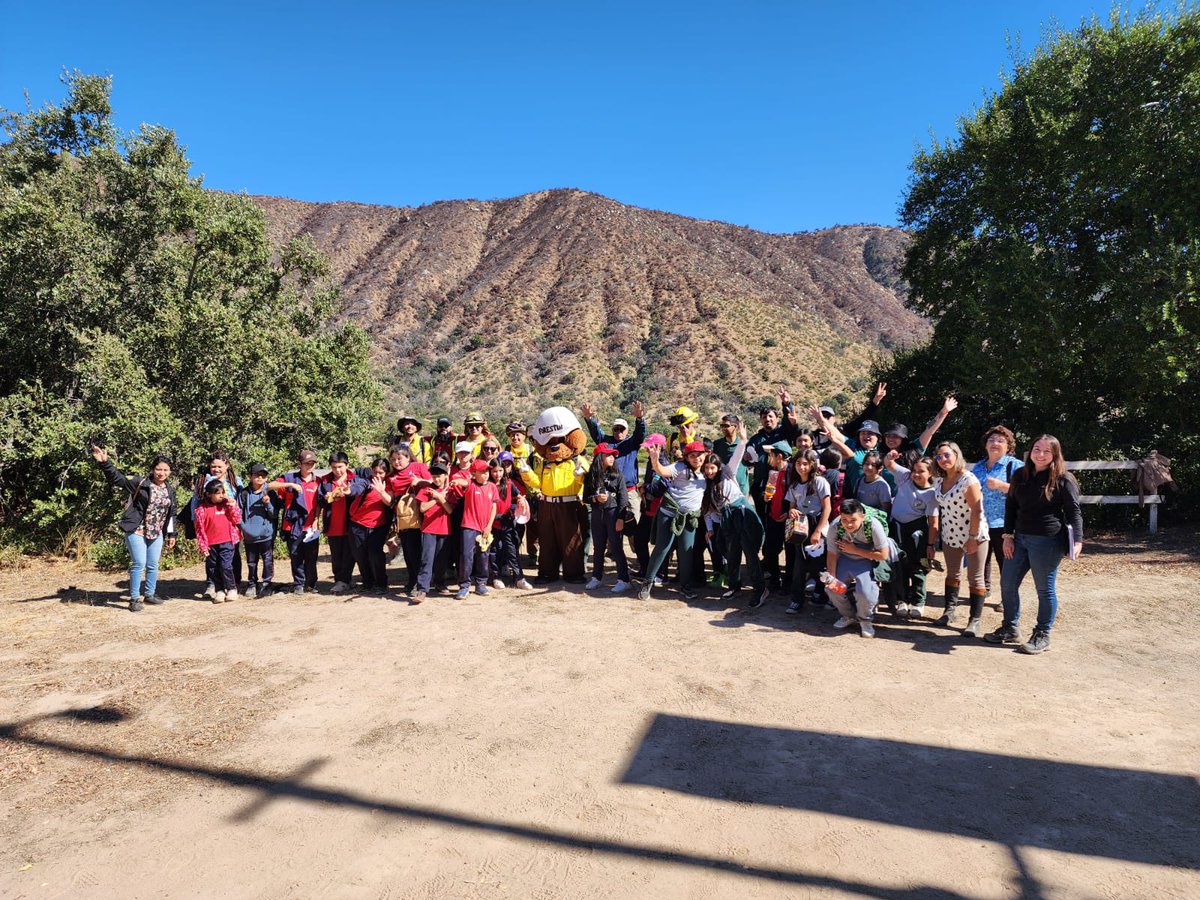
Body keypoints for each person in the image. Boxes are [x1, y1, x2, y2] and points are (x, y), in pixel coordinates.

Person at [986, 435, 1084, 655]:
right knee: (1008, 583)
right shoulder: (1020, 475)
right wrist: (1008, 536)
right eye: (1036, 449)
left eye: (1046, 451)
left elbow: (1073, 511)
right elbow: (1011, 507)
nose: (1040, 454)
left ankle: (1042, 634)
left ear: (1055, 455)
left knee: (1044, 589)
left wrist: (1077, 540)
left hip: (1048, 542)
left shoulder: (1063, 479)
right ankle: (1010, 628)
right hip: (1019, 538)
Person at [90, 444, 177, 611]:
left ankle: (150, 594)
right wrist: (104, 463)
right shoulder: (141, 482)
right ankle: (135, 598)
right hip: (136, 530)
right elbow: (118, 479)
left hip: (156, 532)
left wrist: (172, 534)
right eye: (159, 469)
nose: (162, 473)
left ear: (170, 472)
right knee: (139, 563)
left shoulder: (169, 489)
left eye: (166, 470)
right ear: (152, 469)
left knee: (153, 564)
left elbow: (172, 512)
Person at [700, 422, 768, 608]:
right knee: (732, 553)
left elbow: (737, 457)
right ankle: (734, 586)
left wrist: (743, 440)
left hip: (742, 513)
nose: (709, 471)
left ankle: (760, 589)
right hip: (727, 520)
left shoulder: (727, 473)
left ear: (718, 467)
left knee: (750, 552)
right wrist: (710, 530)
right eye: (706, 469)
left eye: (712, 468)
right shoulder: (706, 486)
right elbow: (707, 511)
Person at [929, 441, 990, 636]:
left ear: (956, 454)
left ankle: (975, 619)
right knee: (952, 574)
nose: (943, 460)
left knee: (975, 577)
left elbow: (977, 510)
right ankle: (949, 611)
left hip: (974, 534)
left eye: (947, 455)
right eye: (939, 457)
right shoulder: (939, 480)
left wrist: (972, 537)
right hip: (950, 535)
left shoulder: (968, 480)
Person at [639, 440, 708, 601]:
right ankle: (647, 582)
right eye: (692, 456)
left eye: (699, 455)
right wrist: (655, 460)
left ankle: (685, 586)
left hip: (690, 517)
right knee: (662, 548)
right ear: (687, 457)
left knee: (686, 551)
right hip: (669, 513)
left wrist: (743, 443)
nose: (696, 458)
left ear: (705, 455)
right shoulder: (680, 467)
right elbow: (662, 471)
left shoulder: (707, 470)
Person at [823, 499, 892, 638]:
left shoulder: (873, 525)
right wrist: (832, 577)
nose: (848, 524)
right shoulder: (835, 526)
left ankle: (865, 620)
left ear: (862, 517)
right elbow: (832, 553)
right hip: (845, 558)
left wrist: (854, 549)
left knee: (866, 593)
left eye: (853, 520)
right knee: (832, 589)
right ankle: (848, 615)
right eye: (844, 519)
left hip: (868, 557)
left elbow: (883, 554)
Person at [884, 451, 939, 619]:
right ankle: (902, 600)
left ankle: (918, 602)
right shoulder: (905, 477)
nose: (916, 474)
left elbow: (934, 523)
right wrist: (890, 457)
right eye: (914, 470)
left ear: (931, 473)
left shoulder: (932, 494)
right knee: (900, 565)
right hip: (897, 528)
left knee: (918, 566)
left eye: (921, 471)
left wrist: (930, 545)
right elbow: (889, 464)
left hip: (918, 531)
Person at [971, 425, 1024, 597]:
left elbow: (1028, 492)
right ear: (985, 445)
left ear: (1008, 446)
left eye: (1000, 441)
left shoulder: (1016, 466)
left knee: (1006, 562)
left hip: (1006, 523)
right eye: (991, 440)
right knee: (982, 560)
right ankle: (983, 590)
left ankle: (1007, 596)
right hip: (981, 522)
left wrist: (1002, 486)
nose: (995, 443)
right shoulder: (978, 467)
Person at [785, 449, 832, 614]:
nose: (801, 467)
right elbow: (792, 507)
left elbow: (827, 508)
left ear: (812, 465)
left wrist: (818, 531)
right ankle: (797, 600)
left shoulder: (820, 482)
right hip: (800, 528)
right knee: (799, 565)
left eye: (805, 464)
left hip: (817, 525)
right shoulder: (794, 484)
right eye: (798, 463)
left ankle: (823, 595)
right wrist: (792, 512)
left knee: (820, 565)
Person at [269, 449, 322, 595]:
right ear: (299, 464)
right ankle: (298, 583)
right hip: (292, 525)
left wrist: (317, 519)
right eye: (306, 463)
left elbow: (319, 503)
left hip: (311, 525)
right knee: (296, 555)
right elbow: (270, 485)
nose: (309, 466)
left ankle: (311, 584)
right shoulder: (289, 477)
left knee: (311, 557)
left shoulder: (318, 481)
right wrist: (289, 485)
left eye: (312, 463)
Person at [584, 443, 632, 592]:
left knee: (617, 547)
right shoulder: (591, 476)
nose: (612, 458)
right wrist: (595, 499)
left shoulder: (617, 475)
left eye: (613, 455)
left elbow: (623, 498)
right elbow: (586, 497)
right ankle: (596, 578)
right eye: (608, 455)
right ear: (599, 457)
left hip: (613, 514)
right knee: (598, 548)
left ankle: (624, 580)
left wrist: (620, 518)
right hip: (598, 513)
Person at [386, 444, 432, 595]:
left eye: (399, 458)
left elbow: (434, 482)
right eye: (393, 459)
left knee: (417, 551)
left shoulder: (419, 467)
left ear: (408, 457)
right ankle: (412, 580)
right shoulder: (391, 477)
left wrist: (419, 481)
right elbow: (391, 500)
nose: (396, 462)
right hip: (405, 519)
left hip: (423, 515)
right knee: (407, 551)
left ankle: (419, 584)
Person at [452, 459, 498, 598]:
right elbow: (463, 482)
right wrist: (457, 481)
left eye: (486, 471)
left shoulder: (492, 487)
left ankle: (481, 583)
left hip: (485, 528)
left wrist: (489, 526)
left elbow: (494, 507)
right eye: (482, 471)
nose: (485, 474)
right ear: (474, 473)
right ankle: (464, 585)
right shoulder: (470, 484)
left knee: (483, 555)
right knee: (466, 555)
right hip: (469, 526)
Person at [348, 458, 394, 594]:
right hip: (357, 523)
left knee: (375, 554)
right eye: (375, 472)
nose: (378, 475)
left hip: (378, 526)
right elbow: (357, 488)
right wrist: (348, 491)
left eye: (381, 473)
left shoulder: (389, 484)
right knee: (359, 554)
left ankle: (381, 584)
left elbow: (390, 502)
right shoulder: (366, 481)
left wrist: (381, 491)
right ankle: (367, 582)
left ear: (387, 473)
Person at [194, 480, 242, 604]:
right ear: (209, 494)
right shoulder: (201, 509)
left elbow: (237, 519)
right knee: (213, 567)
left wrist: (233, 505)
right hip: (211, 544)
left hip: (227, 541)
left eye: (223, 492)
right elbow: (199, 529)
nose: (221, 495)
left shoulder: (227, 505)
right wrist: (203, 546)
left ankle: (231, 588)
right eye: (218, 493)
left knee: (226, 565)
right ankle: (219, 590)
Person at [411, 461, 454, 603]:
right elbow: (422, 508)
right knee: (426, 559)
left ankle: (439, 583)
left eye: (439, 476)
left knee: (441, 559)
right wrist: (437, 499)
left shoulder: (450, 491)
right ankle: (422, 589)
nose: (437, 479)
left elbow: (450, 510)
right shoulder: (427, 489)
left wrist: (441, 497)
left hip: (445, 529)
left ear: (446, 476)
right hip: (429, 529)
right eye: (434, 476)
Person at [318, 451, 360, 594]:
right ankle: (339, 580)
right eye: (334, 467)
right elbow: (319, 501)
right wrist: (325, 497)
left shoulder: (354, 479)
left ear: (347, 465)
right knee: (336, 555)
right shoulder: (325, 481)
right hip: (333, 524)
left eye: (340, 467)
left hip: (350, 523)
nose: (337, 470)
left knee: (349, 554)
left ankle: (345, 581)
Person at [237, 463, 277, 598]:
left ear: (266, 478)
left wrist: (267, 503)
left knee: (267, 560)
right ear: (250, 476)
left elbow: (274, 515)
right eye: (257, 475)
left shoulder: (270, 493)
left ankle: (266, 584)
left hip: (266, 535)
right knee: (251, 561)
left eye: (263, 475)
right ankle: (252, 583)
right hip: (249, 536)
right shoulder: (243, 493)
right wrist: (243, 527)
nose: (260, 478)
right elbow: (238, 513)